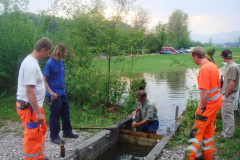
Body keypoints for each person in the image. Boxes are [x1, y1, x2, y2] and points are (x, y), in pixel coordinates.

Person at [16, 37, 53, 160]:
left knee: (40, 131)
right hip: (30, 108)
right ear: (43, 50)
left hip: (34, 107)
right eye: (48, 52)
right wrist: (37, 113)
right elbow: (29, 90)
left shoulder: (32, 62)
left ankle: (39, 157)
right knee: (33, 135)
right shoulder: (31, 65)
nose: (48, 55)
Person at [183, 46, 222, 160]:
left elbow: (205, 93)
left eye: (193, 58)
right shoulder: (213, 65)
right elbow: (218, 86)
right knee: (209, 130)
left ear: (196, 55)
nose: (194, 60)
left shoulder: (204, 69)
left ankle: (188, 158)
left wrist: (201, 107)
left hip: (209, 105)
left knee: (196, 132)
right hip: (216, 102)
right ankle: (207, 157)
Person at [43, 43, 79, 145]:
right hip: (54, 95)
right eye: (65, 52)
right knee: (55, 116)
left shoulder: (61, 62)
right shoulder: (49, 64)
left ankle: (67, 132)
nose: (66, 54)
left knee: (66, 114)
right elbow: (44, 80)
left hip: (62, 93)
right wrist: (51, 93)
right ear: (60, 51)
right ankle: (54, 137)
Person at [220, 49, 239, 139]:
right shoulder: (231, 66)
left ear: (224, 57)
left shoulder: (233, 67)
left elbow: (232, 82)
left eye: (222, 57)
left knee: (228, 114)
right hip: (227, 94)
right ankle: (225, 132)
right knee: (225, 114)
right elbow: (229, 81)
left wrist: (226, 94)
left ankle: (228, 135)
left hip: (229, 95)